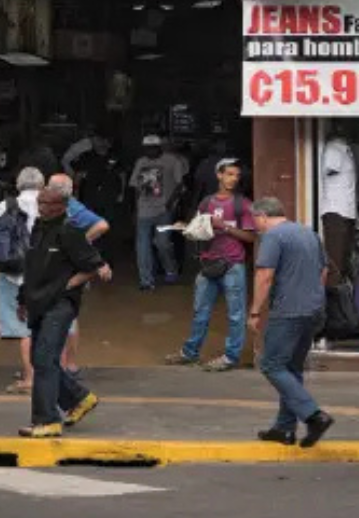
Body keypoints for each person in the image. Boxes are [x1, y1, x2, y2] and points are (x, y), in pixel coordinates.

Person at [17, 183, 109, 438]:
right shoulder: (38, 228)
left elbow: (93, 265)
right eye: (40, 202)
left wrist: (70, 284)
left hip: (60, 304)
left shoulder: (70, 231)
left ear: (61, 206)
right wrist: (22, 299)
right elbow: (32, 267)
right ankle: (79, 399)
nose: (40, 207)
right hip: (38, 301)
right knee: (40, 358)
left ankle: (47, 420)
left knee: (45, 359)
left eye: (46, 203)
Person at [250, 197, 332, 447]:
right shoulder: (309, 234)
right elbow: (324, 271)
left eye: (256, 221)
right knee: (292, 368)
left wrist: (255, 311)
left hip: (288, 311)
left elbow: (265, 275)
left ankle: (313, 415)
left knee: (271, 365)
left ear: (263, 216)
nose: (256, 227)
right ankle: (284, 428)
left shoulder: (273, 237)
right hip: (313, 310)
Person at [167, 160, 255, 372]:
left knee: (235, 314)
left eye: (236, 175)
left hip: (233, 264)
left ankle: (230, 357)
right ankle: (190, 353)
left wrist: (224, 226)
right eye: (229, 174)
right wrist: (185, 227)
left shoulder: (242, 204)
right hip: (208, 262)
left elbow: (251, 237)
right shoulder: (206, 203)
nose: (233, 179)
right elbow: (198, 228)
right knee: (200, 311)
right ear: (219, 175)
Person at [0, 166, 43, 394]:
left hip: (12, 275)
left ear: (18, 185)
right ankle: (44, 372)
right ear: (41, 185)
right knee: (41, 325)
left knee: (22, 328)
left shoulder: (4, 206)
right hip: (42, 273)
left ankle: (30, 377)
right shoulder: (49, 205)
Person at [50, 172, 111, 376]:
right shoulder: (71, 205)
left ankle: (61, 363)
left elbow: (103, 225)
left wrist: (79, 244)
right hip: (71, 268)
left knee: (60, 314)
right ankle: (69, 364)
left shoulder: (66, 207)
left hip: (64, 269)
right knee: (70, 315)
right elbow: (101, 225)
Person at [129, 134, 188, 290]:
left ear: (159, 147)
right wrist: (135, 209)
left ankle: (171, 269)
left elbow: (180, 185)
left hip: (164, 210)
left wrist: (170, 203)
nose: (150, 151)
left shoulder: (172, 161)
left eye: (153, 148)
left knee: (162, 243)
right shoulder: (141, 162)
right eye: (147, 148)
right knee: (142, 246)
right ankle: (146, 281)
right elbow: (135, 187)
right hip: (144, 210)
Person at [319, 126, 357, 286]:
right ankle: (333, 303)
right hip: (336, 210)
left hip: (345, 210)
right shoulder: (334, 150)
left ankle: (339, 301)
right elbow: (327, 171)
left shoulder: (345, 150)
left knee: (342, 259)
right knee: (335, 261)